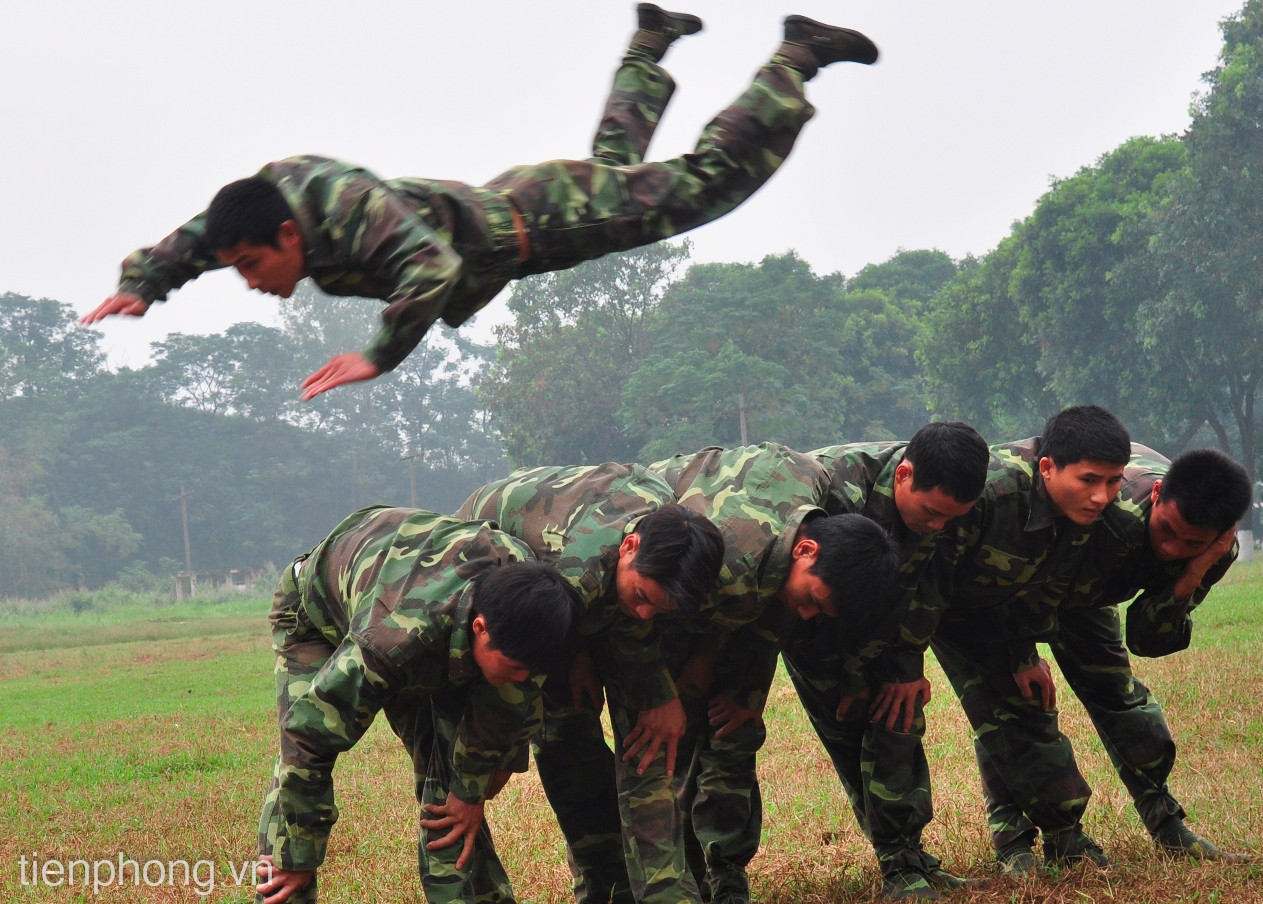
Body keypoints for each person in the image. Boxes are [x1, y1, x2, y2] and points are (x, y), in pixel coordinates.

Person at [79, 4, 879, 400]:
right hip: (519, 208)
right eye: (240, 271)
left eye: (254, 266)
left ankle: (795, 55)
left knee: (703, 188)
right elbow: (201, 235)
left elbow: (431, 264)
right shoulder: (263, 209)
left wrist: (379, 353)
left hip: (541, 220)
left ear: (289, 233)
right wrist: (145, 282)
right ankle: (648, 41)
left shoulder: (348, 207)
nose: (251, 282)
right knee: (612, 171)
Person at [253, 505, 582, 904]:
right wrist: (298, 853)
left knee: (453, 794)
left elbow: (512, 698)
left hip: (421, 606)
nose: (521, 680)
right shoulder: (393, 644)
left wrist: (471, 787)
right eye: (513, 668)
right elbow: (307, 738)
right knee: (296, 768)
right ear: (480, 628)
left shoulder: (531, 605)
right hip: (315, 612)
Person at [637, 443, 903, 904]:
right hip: (670, 581)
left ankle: (727, 874)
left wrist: (748, 694)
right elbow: (657, 619)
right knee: (678, 731)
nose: (807, 614)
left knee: (737, 725)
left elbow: (768, 616)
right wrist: (674, 686)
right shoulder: (729, 556)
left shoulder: (826, 514)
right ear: (805, 548)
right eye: (813, 602)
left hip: (741, 587)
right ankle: (677, 880)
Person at [454, 462, 725, 904]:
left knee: (651, 744)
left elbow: (637, 623)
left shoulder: (680, 549)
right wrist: (474, 780)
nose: (643, 614)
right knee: (565, 733)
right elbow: (510, 684)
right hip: (510, 556)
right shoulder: (578, 569)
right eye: (641, 597)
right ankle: (606, 887)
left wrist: (659, 692)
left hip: (586, 573)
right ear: (629, 547)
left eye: (659, 609)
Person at [974, 445, 1255, 866]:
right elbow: (1019, 579)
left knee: (1124, 703)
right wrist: (1021, 652)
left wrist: (1196, 571)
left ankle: (1167, 823)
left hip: (1087, 597)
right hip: (1017, 586)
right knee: (1014, 704)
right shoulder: (1105, 509)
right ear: (1157, 494)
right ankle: (1014, 839)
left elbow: (1149, 638)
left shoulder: (1214, 549)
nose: (1173, 549)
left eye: (1191, 543)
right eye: (1167, 530)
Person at [779, 422, 991, 901]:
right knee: (851, 725)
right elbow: (800, 591)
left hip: (892, 626)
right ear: (903, 475)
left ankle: (906, 858)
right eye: (932, 512)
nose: (938, 526)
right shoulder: (832, 492)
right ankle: (895, 859)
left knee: (898, 717)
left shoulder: (948, 511)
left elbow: (933, 583)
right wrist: (852, 674)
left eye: (950, 519)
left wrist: (905, 668)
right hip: (814, 624)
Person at [924, 405, 1133, 877]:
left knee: (1023, 702)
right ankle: (1030, 838)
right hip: (944, 608)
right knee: (1005, 712)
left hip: (997, 613)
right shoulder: (991, 493)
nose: (1102, 497)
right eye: (1089, 480)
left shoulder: (1083, 513)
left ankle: (1048, 838)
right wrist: (902, 667)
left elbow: (1044, 587)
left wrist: (1023, 653)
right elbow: (928, 576)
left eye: (1113, 481)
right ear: (1047, 468)